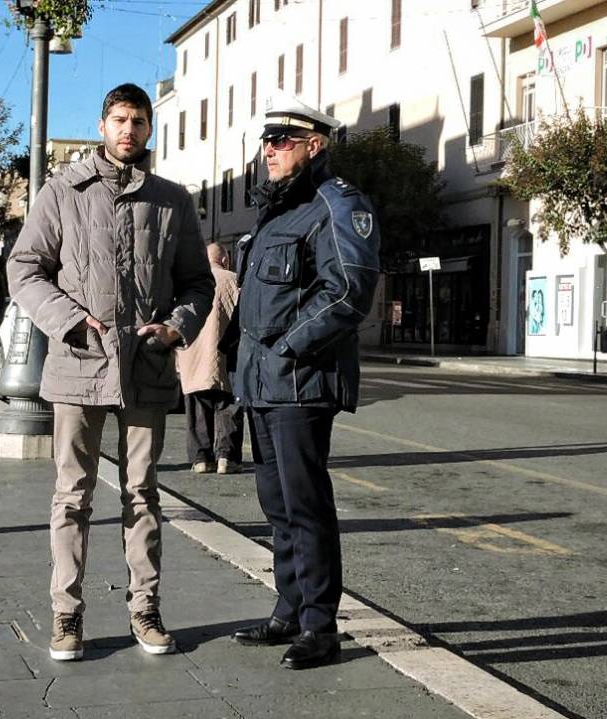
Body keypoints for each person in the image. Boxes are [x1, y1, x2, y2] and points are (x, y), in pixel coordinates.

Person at [7, 83, 214, 661]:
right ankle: (65, 616)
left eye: (139, 122)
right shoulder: (62, 190)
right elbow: (24, 269)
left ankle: (145, 611)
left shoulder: (173, 200)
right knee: (71, 495)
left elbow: (198, 281)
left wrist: (176, 327)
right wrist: (70, 323)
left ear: (151, 130)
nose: (129, 131)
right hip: (78, 366)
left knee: (143, 494)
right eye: (119, 120)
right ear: (102, 125)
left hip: (145, 368)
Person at [227, 96, 380, 669]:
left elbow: (348, 290)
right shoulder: (277, 211)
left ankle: (321, 626)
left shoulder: (336, 204)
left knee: (306, 505)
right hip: (261, 383)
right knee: (277, 505)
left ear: (313, 145)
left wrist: (290, 347)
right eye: (265, 140)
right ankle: (288, 609)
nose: (268, 149)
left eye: (281, 140)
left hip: (302, 381)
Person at [177, 243, 243, 475]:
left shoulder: (190, 283)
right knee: (228, 406)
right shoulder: (234, 280)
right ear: (225, 260)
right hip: (227, 355)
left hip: (193, 357)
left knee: (197, 408)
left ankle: (201, 458)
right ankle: (227, 457)